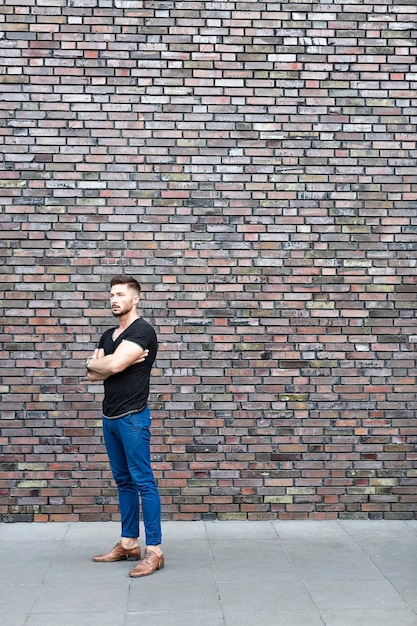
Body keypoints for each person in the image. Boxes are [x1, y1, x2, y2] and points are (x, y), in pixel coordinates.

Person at [85, 274, 164, 578]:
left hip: (133, 416)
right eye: (111, 295)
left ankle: (154, 550)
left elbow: (111, 367)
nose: (114, 300)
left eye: (120, 294)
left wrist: (112, 363)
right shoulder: (109, 334)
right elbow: (93, 374)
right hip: (110, 417)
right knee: (123, 481)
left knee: (143, 481)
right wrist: (100, 364)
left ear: (135, 298)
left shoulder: (142, 330)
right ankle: (129, 543)